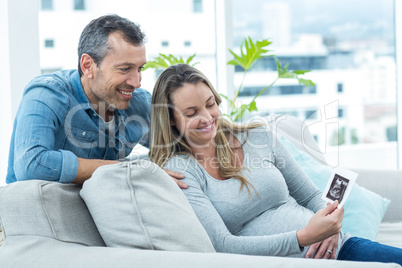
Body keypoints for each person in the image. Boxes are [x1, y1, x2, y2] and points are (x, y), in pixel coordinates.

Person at [149, 63, 402, 264]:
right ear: (171, 119)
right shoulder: (182, 169)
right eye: (191, 113)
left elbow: (311, 195)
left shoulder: (258, 136)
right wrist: (303, 238)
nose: (207, 118)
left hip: (340, 250)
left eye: (210, 104)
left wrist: (331, 228)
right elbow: (221, 244)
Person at [6, 14, 185, 187]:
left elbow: (188, 143)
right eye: (124, 69)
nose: (136, 82)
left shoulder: (138, 102)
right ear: (88, 66)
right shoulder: (47, 94)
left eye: (140, 69)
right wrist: (129, 170)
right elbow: (31, 165)